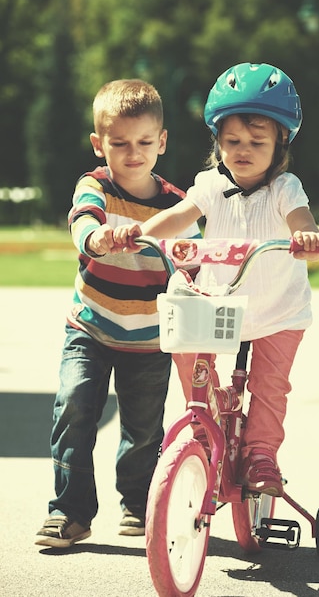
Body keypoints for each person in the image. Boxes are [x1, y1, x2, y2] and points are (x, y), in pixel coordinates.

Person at [121, 62, 319, 497]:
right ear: (217, 141)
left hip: (278, 312)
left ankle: (261, 455)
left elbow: (300, 218)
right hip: (220, 302)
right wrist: (141, 233)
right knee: (185, 343)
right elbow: (179, 215)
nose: (242, 149)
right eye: (232, 141)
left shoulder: (285, 188)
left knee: (270, 387)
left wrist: (307, 235)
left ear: (280, 142)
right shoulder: (211, 185)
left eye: (256, 141)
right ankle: (203, 420)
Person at [35, 79, 200, 548]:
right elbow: (83, 217)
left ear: (162, 142)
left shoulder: (175, 204)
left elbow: (192, 259)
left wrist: (192, 265)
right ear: (98, 143)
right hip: (89, 326)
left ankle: (136, 501)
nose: (133, 153)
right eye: (120, 143)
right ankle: (70, 511)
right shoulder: (96, 186)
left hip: (148, 338)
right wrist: (94, 238)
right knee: (72, 407)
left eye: (145, 142)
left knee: (144, 429)